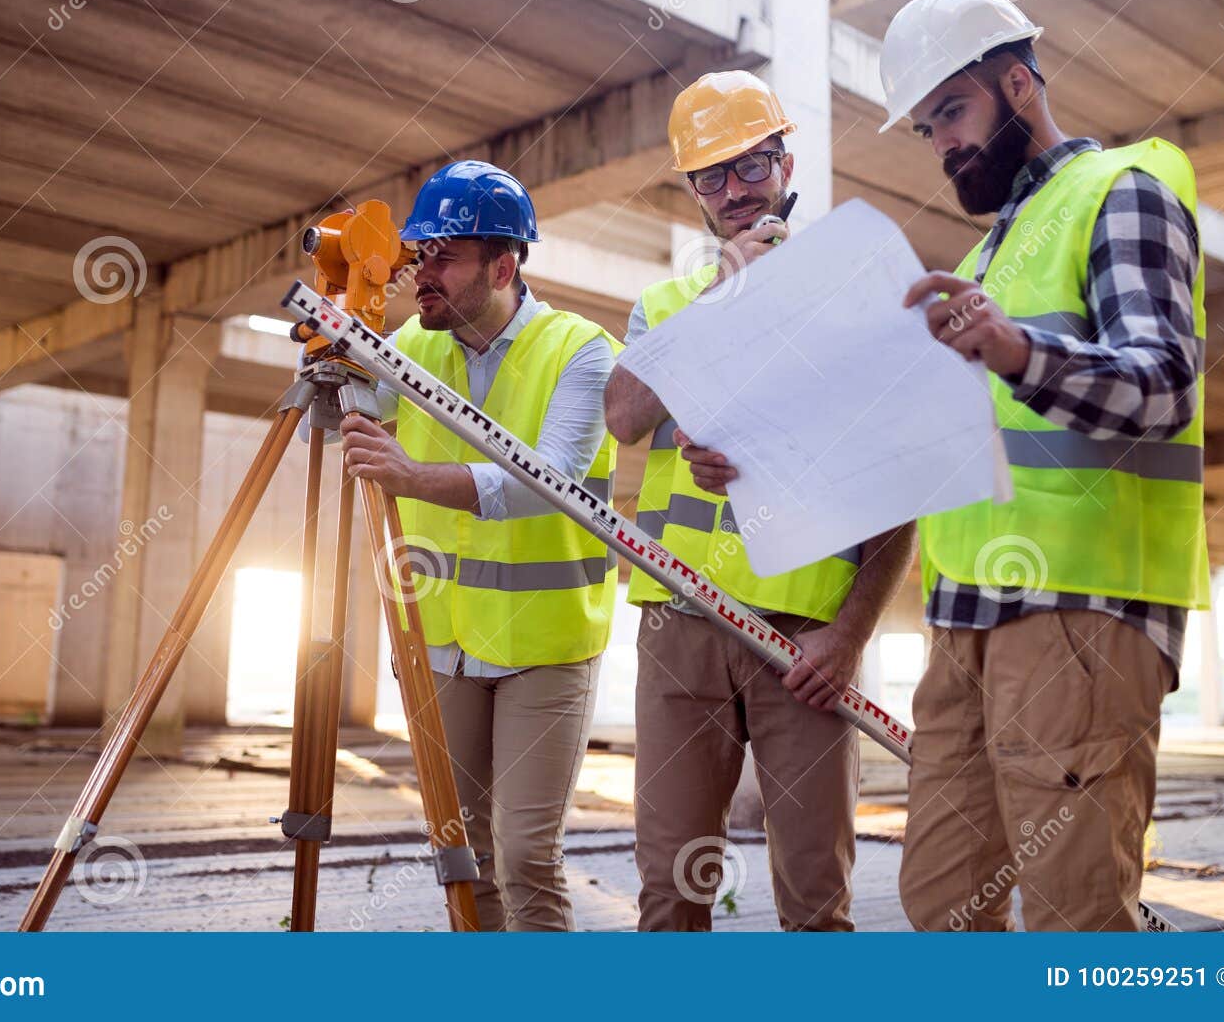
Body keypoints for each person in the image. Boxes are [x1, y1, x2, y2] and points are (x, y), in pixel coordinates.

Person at [880, 0, 1208, 930]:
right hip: (964, 621)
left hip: (1079, 617)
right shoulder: (985, 259)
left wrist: (1019, 351)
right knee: (941, 907)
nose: (941, 143)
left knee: (1074, 914)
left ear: (1019, 85)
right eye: (926, 126)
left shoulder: (1122, 190)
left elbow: (1164, 384)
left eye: (953, 110)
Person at [603, 71, 917, 931]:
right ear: (695, 193)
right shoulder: (669, 305)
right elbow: (626, 416)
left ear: (786, 162)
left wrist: (849, 637)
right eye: (713, 176)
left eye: (751, 166)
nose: (736, 191)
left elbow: (902, 494)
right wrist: (717, 298)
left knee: (816, 903)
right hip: (681, 630)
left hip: (803, 646)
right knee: (671, 894)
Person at [337, 160, 619, 931]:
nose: (421, 274)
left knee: (525, 854)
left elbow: (551, 478)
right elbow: (335, 419)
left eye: (443, 258)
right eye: (418, 255)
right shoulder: (412, 346)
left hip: (545, 644)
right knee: (464, 854)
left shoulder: (582, 351)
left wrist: (413, 475)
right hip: (443, 644)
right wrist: (331, 357)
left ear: (503, 265)